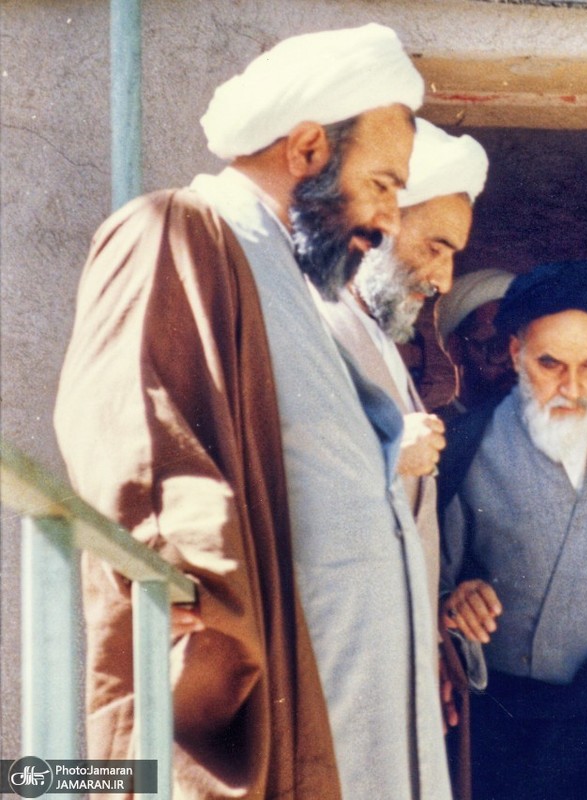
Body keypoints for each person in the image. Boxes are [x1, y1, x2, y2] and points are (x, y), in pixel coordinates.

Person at [54, 24, 450, 800]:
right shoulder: (178, 231)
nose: (389, 221)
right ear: (307, 149)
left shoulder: (301, 286)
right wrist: (186, 587)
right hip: (280, 716)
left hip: (355, 723)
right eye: (382, 185)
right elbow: (135, 437)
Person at [437, 260, 587, 800]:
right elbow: (428, 576)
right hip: (511, 733)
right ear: (515, 352)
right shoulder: (465, 445)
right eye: (550, 364)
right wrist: (451, 601)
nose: (572, 388)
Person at [315, 117, 488, 621]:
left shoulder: (378, 337)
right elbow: (275, 478)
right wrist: (385, 455)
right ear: (381, 223)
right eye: (435, 248)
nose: (444, 281)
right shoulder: (317, 327)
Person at [432, 267, 517, 424]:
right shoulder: (432, 432)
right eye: (498, 347)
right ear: (456, 349)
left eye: (521, 349)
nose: (515, 365)